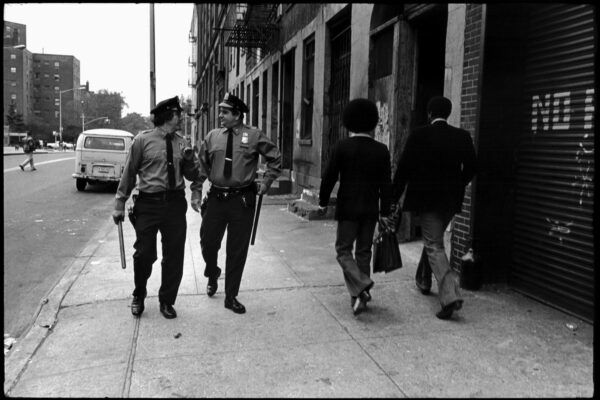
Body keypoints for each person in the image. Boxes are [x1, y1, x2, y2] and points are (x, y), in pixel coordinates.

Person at [190, 93, 281, 314]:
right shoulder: (213, 136)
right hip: (216, 200)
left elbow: (275, 157)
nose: (220, 115)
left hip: (242, 200)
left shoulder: (254, 135)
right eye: (220, 111)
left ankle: (231, 296)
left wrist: (266, 182)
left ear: (238, 115)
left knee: (236, 250)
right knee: (208, 242)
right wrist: (195, 191)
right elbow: (202, 166)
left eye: (225, 112)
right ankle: (212, 272)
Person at [112, 96, 202, 319]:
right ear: (168, 116)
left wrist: (190, 161)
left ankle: (167, 301)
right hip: (148, 204)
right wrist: (119, 203)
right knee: (144, 254)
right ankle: (139, 294)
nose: (180, 118)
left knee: (174, 256)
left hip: (174, 204)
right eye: (178, 114)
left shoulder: (182, 143)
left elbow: (193, 176)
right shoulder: (142, 141)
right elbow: (129, 173)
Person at [391, 96, 476, 320]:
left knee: (433, 244)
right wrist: (458, 184)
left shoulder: (419, 135)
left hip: (427, 200)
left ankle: (450, 296)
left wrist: (393, 197)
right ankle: (423, 280)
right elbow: (472, 167)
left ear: (429, 114)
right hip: (450, 201)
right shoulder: (462, 136)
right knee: (433, 239)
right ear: (448, 113)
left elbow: (404, 169)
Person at [318, 98, 394, 315]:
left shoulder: (342, 147)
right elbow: (386, 184)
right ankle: (359, 297)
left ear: (348, 121)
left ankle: (360, 286)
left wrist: (323, 201)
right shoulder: (381, 150)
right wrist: (385, 211)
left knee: (343, 251)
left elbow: (329, 176)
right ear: (372, 122)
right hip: (370, 210)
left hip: (348, 209)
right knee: (363, 252)